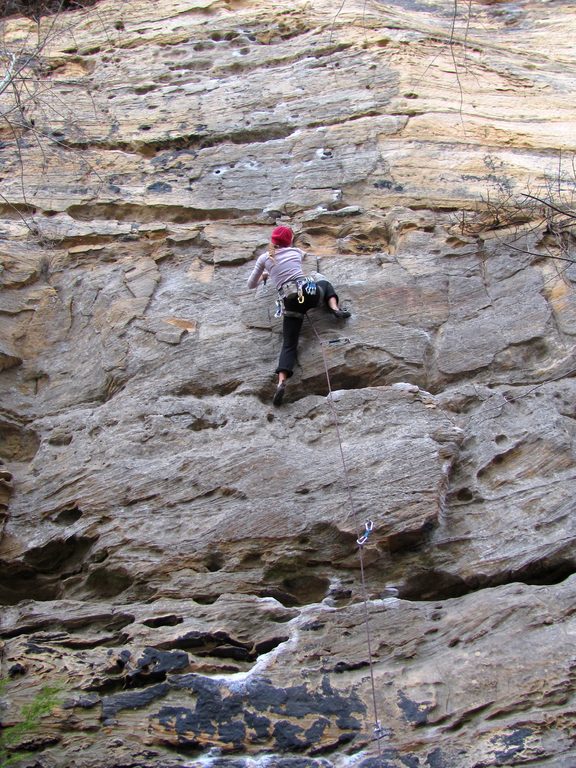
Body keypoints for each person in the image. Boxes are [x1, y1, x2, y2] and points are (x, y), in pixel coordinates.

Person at [247, 225, 350, 406]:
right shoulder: (295, 252)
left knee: (289, 344)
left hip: (290, 301)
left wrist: (266, 273)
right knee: (323, 283)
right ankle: (334, 308)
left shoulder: (264, 258)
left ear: (272, 241)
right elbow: (299, 259)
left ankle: (281, 382)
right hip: (308, 294)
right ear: (289, 241)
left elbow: (250, 284)